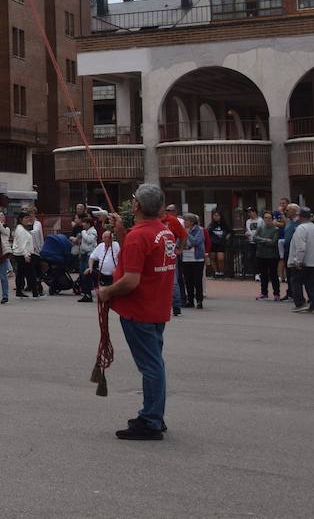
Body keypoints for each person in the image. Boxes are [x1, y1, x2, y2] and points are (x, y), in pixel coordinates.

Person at [97, 183, 175, 440]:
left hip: (139, 311)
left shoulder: (140, 236)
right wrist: (122, 233)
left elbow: (131, 280)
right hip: (156, 308)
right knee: (155, 363)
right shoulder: (163, 232)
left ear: (137, 206)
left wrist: (107, 292)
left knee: (151, 366)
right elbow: (142, 257)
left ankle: (151, 420)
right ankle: (154, 414)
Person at [286, 205, 314, 313]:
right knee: (312, 284)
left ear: (301, 217)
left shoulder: (301, 228)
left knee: (296, 281)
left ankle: (300, 303)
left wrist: (298, 260)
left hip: (303, 261)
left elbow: (301, 247)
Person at [180, 213, 206, 310]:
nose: (184, 222)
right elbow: (179, 241)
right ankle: (190, 300)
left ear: (191, 222)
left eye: (186, 220)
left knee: (197, 280)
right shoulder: (182, 230)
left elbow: (196, 241)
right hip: (186, 258)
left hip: (197, 258)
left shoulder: (199, 230)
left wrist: (187, 234)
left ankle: (199, 300)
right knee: (188, 280)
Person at [254, 211, 281, 300]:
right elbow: (255, 238)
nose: (267, 220)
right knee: (263, 275)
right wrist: (265, 240)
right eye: (266, 218)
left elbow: (273, 242)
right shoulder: (260, 227)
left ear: (272, 219)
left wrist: (261, 241)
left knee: (273, 275)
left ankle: (276, 293)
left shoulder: (275, 229)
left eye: (269, 218)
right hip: (261, 254)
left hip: (272, 255)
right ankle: (264, 292)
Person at [11, 211, 38, 298]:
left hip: (20, 254)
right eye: (25, 218)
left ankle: (19, 291)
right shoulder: (21, 230)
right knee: (31, 274)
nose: (27, 220)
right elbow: (22, 244)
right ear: (20, 219)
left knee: (20, 273)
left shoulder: (21, 229)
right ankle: (35, 293)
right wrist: (26, 255)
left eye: (28, 218)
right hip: (23, 255)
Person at [88, 229, 120, 296]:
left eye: (108, 237)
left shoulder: (116, 245)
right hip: (101, 273)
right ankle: (89, 294)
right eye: (105, 237)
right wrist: (90, 267)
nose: (107, 239)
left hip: (113, 274)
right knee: (88, 272)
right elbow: (92, 257)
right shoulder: (100, 246)